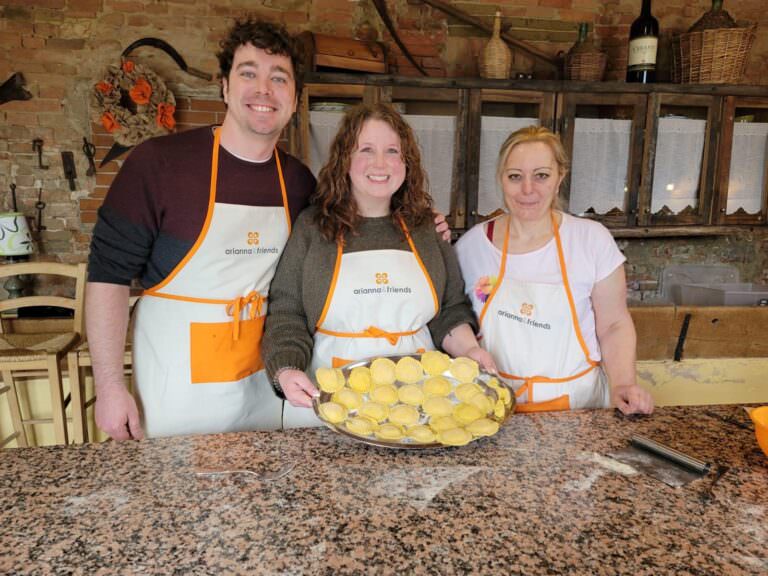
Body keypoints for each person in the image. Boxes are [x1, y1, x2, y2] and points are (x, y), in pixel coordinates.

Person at [86, 18, 316, 439]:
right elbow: (107, 277)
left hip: (263, 388)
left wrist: (430, 226)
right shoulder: (158, 164)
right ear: (225, 87)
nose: (264, 90)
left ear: (295, 97)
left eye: (279, 78)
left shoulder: (299, 182)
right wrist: (110, 385)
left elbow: (338, 246)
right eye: (248, 73)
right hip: (175, 390)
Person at [262, 103, 495, 427]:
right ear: (344, 159)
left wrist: (470, 351)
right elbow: (288, 313)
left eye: (392, 151)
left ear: (406, 162)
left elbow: (450, 309)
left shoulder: (426, 229)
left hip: (417, 401)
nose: (380, 163)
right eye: (366, 150)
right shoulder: (313, 228)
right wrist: (286, 369)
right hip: (327, 401)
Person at [455, 126, 653, 415]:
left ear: (560, 177)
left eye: (541, 175)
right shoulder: (472, 247)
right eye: (515, 176)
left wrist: (623, 384)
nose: (528, 189)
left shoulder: (591, 240)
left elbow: (614, 324)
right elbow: (453, 319)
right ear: (501, 179)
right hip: (492, 406)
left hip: (578, 408)